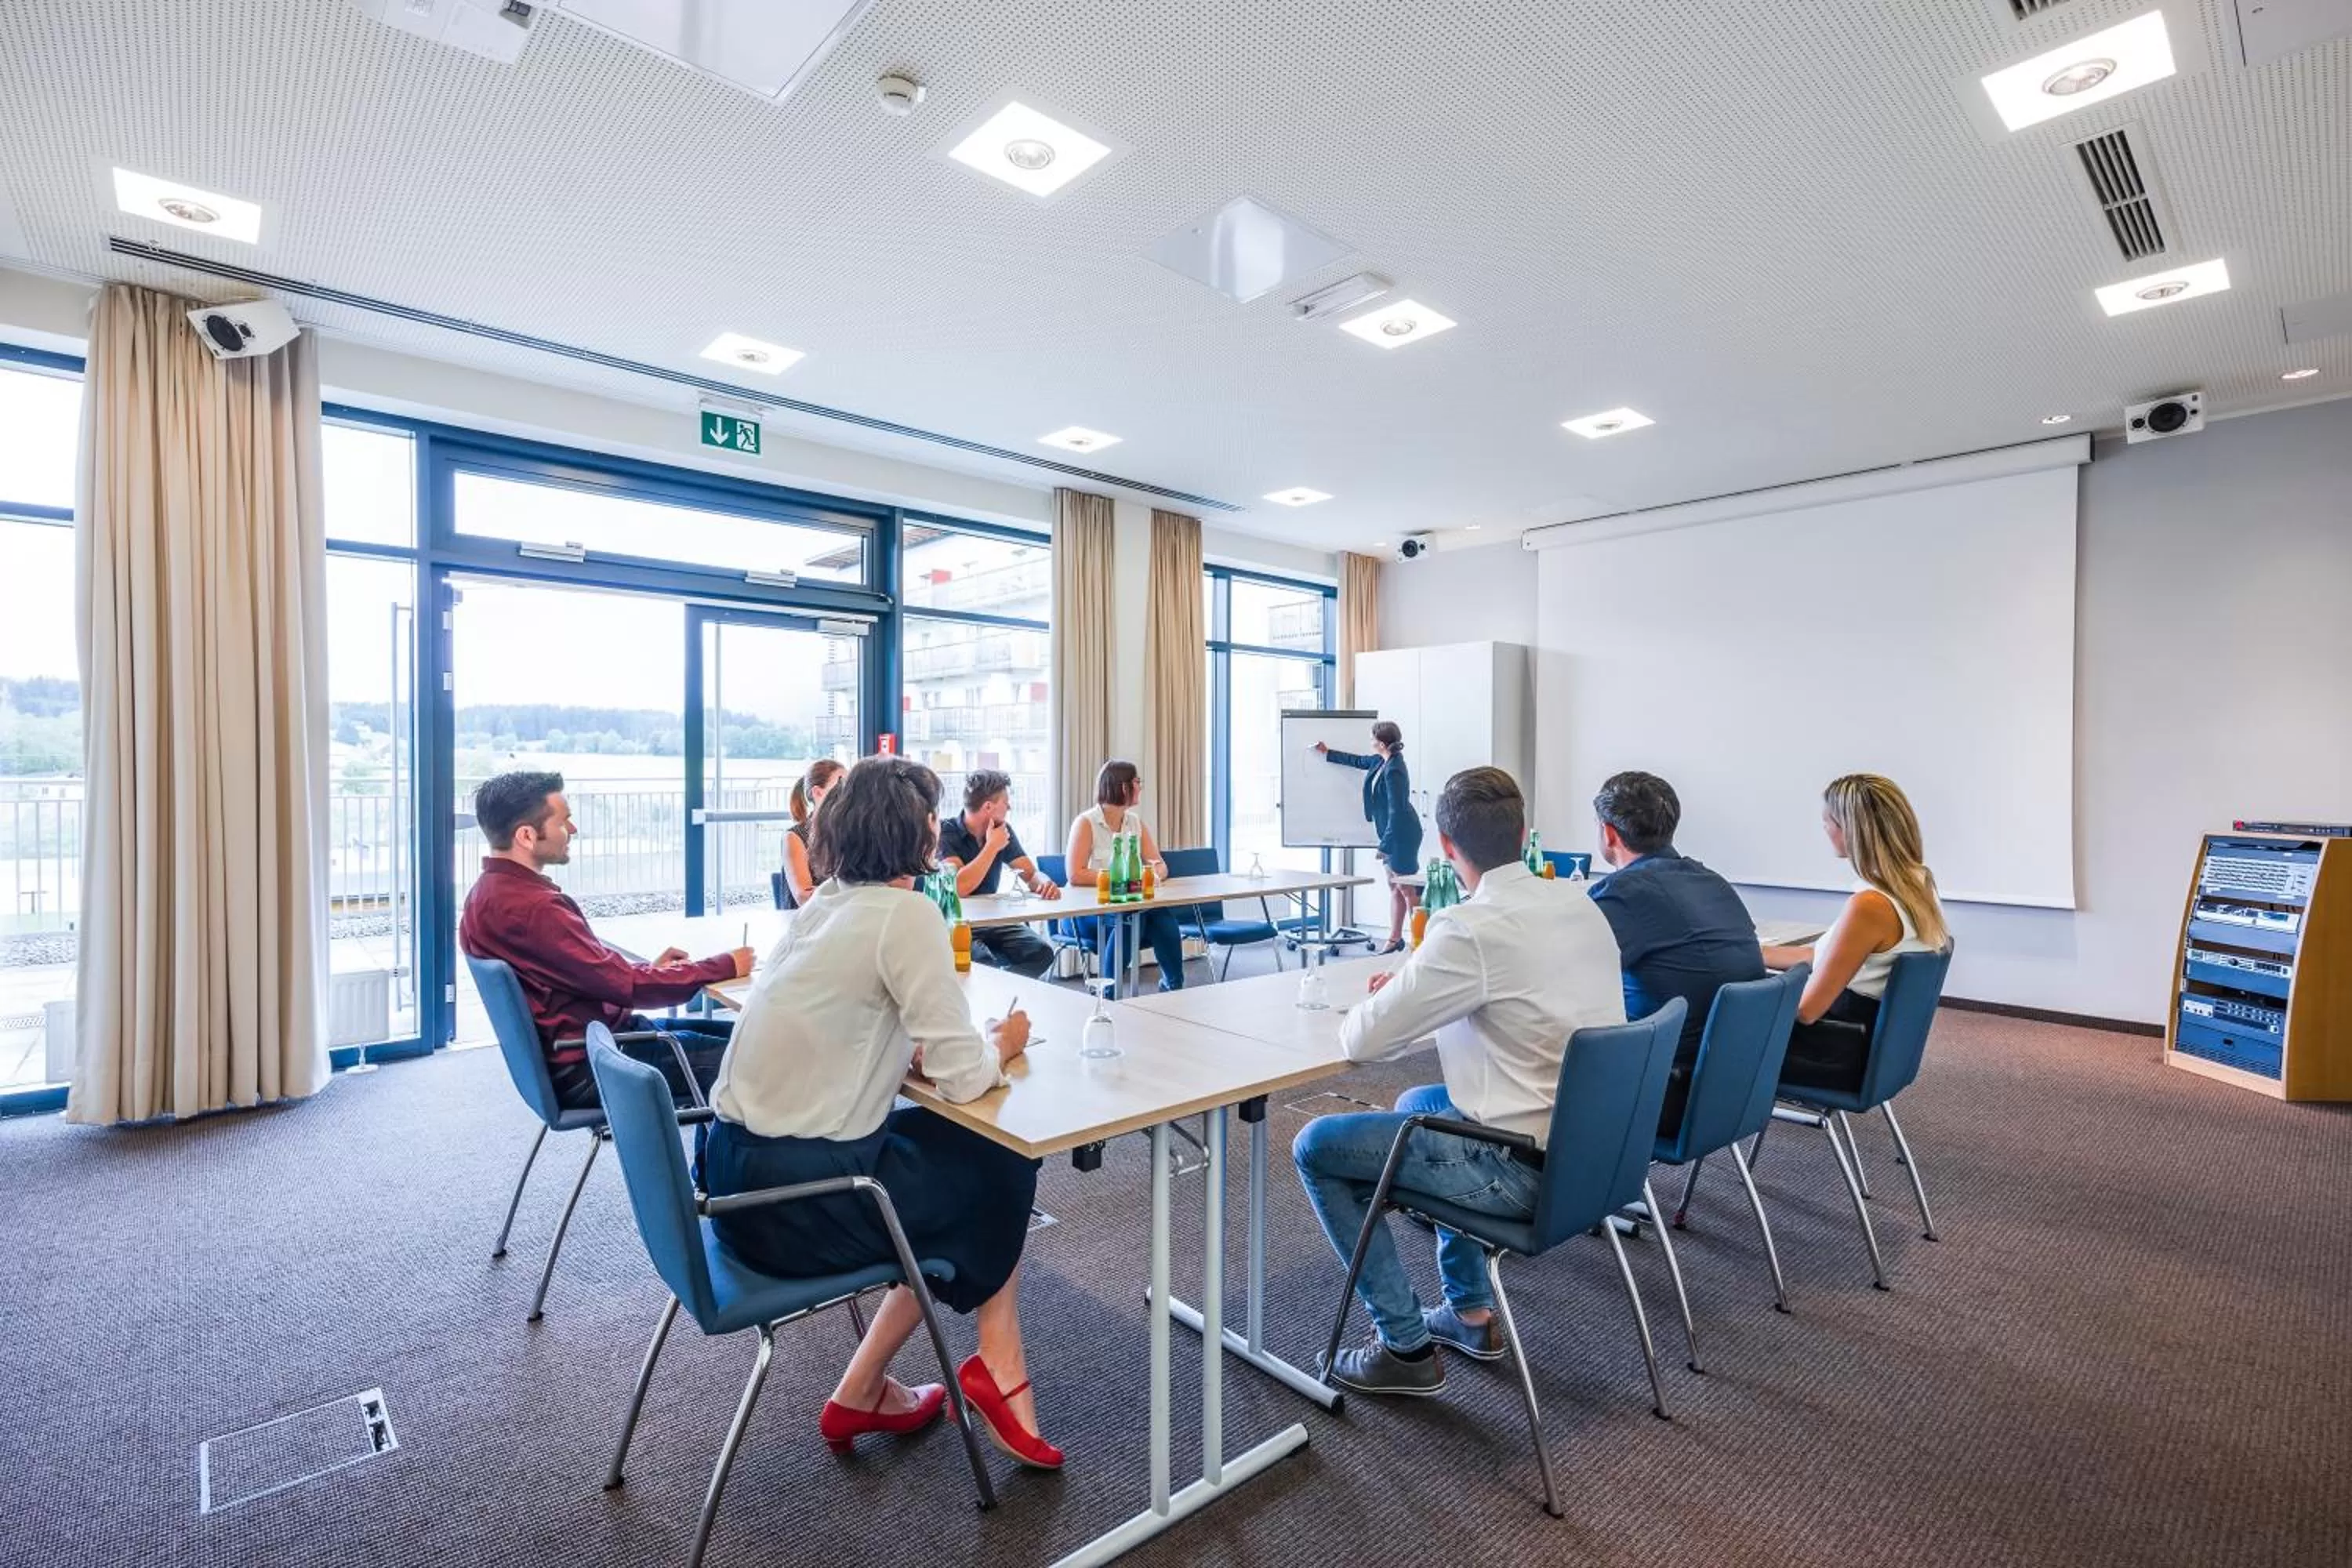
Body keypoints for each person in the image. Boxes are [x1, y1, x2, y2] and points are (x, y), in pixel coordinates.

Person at [706, 756, 1063, 1469]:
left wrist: (904, 1058)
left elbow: (837, 1025)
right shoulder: (907, 915)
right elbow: (966, 1082)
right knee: (1004, 1156)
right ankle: (997, 1367)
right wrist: (1005, 1041)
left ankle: (865, 1386)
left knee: (959, 1156)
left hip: (734, 1178)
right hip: (802, 1205)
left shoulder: (823, 908)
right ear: (926, 832)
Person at [1292, 767, 1625, 1396]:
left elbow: (1362, 1042)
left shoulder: (1468, 927)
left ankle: (1405, 1346)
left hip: (1522, 1172)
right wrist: (1425, 986)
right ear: (1524, 834)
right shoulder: (1579, 902)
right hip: (1594, 1153)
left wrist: (1408, 985)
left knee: (1316, 1145)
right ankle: (1469, 1313)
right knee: (1421, 1102)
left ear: (1446, 848)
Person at [458, 771, 750, 1109]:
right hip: (597, 1062)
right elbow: (626, 986)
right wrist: (724, 966)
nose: (573, 830)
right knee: (764, 1065)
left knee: (749, 1038)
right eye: (564, 821)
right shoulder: (534, 909)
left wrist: (648, 971)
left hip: (585, 1047)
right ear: (526, 835)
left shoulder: (486, 895)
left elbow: (588, 975)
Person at [1588, 771, 1766, 1138]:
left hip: (1657, 1091)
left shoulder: (1621, 894)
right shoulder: (1713, 881)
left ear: (1609, 833)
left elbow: (1560, 974)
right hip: (1729, 1086)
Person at [1761, 774, 1950, 1096]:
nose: (1825, 829)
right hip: (1872, 1051)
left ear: (1852, 829)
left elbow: (1807, 1011)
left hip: (1833, 1052)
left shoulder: (1870, 906)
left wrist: (1747, 1001)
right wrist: (1747, 952)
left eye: (1828, 821)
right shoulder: (1917, 886)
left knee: (1703, 1033)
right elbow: (1826, 959)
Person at [1064, 760, 1188, 992]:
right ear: (1124, 788)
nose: (1140, 787)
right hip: (1084, 914)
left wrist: (1151, 873)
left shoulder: (1135, 823)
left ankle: (1174, 986)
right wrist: (1126, 881)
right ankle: (1109, 993)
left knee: (1161, 916)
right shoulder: (1086, 823)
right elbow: (1076, 875)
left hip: (1125, 909)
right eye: (1137, 782)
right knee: (1131, 918)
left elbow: (1159, 864)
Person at [936, 769, 1062, 978]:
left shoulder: (1003, 831)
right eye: (1006, 802)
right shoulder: (946, 832)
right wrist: (992, 847)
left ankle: (1003, 993)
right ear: (988, 807)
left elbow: (1030, 874)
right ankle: (992, 993)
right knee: (983, 962)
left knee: (1041, 953)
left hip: (993, 919)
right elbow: (959, 887)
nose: (1009, 807)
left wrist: (1045, 883)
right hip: (959, 922)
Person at [1315, 721, 1422, 953]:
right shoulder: (1380, 761)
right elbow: (1357, 761)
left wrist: (1385, 845)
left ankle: (1421, 941)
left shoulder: (1395, 770)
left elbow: (1398, 811)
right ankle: (1395, 939)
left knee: (1407, 889)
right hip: (1390, 831)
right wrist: (1328, 752)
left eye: (1373, 739)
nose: (1371, 742)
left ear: (1382, 744)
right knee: (1394, 887)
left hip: (1402, 834)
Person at [779, 757, 846, 909]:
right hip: (809, 923)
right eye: (840, 786)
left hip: (842, 918)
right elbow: (803, 897)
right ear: (818, 793)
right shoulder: (795, 837)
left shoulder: (849, 832)